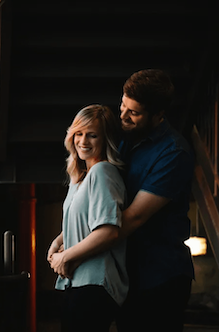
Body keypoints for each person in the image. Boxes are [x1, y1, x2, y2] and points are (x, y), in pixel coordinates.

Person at [114, 69, 195, 332]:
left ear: (159, 115)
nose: (123, 116)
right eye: (122, 106)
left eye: (133, 113)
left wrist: (78, 249)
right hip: (130, 274)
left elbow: (134, 217)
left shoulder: (174, 153)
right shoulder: (126, 138)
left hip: (161, 279)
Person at [47, 104, 128, 332]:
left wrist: (65, 257)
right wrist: (56, 244)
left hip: (95, 283)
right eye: (79, 134)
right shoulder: (80, 178)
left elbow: (108, 231)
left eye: (92, 135)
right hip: (76, 282)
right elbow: (79, 220)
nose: (83, 142)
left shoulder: (103, 172)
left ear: (106, 139)